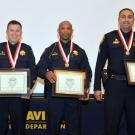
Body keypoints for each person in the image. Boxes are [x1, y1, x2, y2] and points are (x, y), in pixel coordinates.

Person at [37, 21, 92, 135]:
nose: (65, 31)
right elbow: (39, 68)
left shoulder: (80, 51)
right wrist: (46, 73)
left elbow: (88, 72)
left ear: (72, 31)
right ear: (58, 31)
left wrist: (86, 87)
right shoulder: (50, 50)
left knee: (74, 130)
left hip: (73, 99)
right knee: (52, 129)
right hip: (54, 98)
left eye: (68, 28)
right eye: (63, 28)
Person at [94, 8, 135, 135]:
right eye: (123, 16)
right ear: (118, 20)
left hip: (133, 89)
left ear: (133, 20)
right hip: (113, 86)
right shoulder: (108, 37)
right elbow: (99, 65)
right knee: (111, 125)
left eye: (129, 17)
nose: (126, 19)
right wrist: (97, 87)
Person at [0, 20, 36, 135]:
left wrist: (28, 89)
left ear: (21, 33)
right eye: (12, 30)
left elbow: (33, 71)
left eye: (17, 30)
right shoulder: (0, 47)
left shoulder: (27, 49)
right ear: (7, 32)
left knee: (19, 130)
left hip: (20, 98)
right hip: (1, 98)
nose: (14, 33)